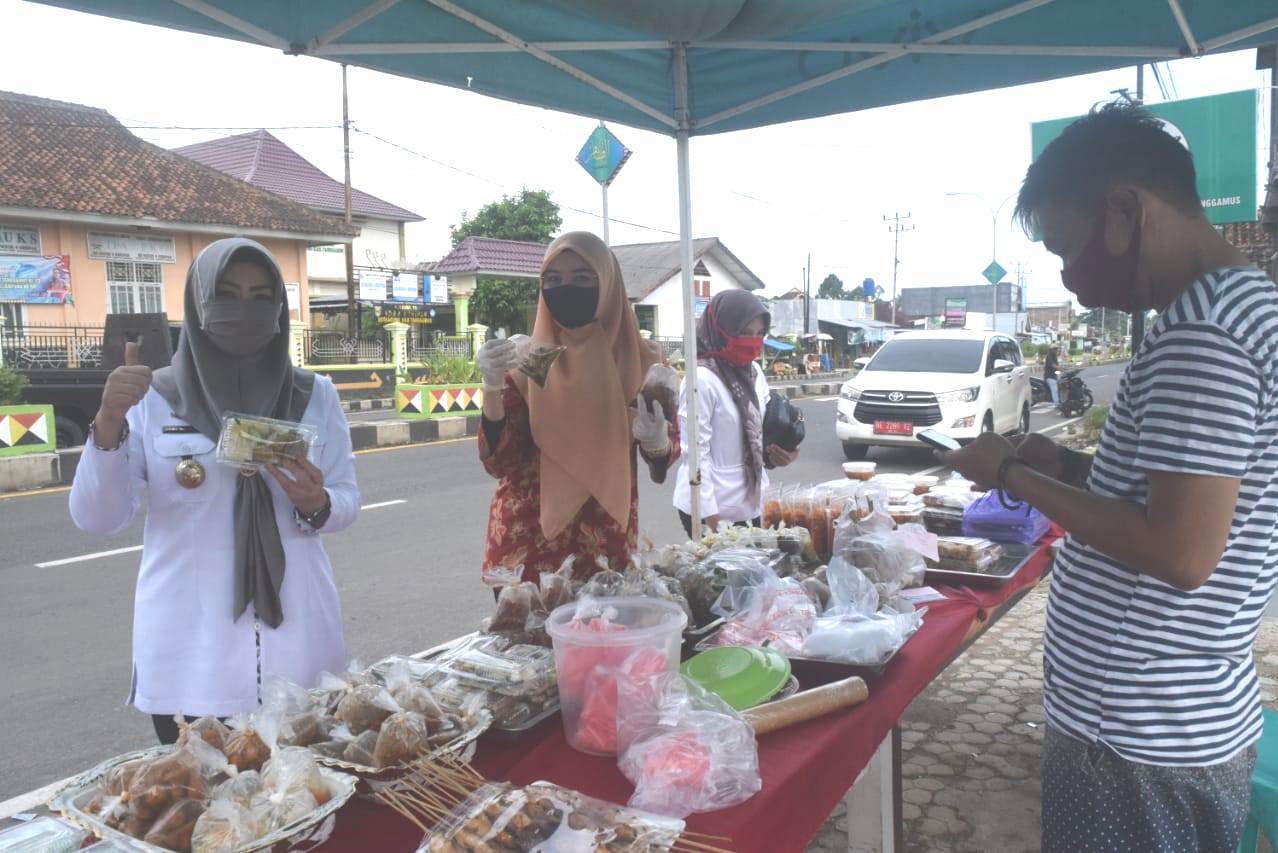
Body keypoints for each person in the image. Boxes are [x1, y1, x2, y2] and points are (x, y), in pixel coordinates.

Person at [942, 103, 1277, 853]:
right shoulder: (1246, 305)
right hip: (1184, 715)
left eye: (1068, 245)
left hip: (1133, 733)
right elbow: (1191, 492)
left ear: (1125, 209)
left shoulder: (1203, 333)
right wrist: (1063, 464)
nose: (1067, 272)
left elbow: (1181, 550)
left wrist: (1009, 475)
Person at [69, 238, 359, 744]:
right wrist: (109, 420)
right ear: (198, 304)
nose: (243, 309)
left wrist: (318, 505)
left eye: (260, 296)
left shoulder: (315, 395)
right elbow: (98, 517)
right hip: (190, 654)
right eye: (226, 294)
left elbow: (346, 500)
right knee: (204, 815)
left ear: (279, 309)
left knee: (308, 798)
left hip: (299, 645)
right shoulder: (153, 397)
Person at [474, 232, 676, 583]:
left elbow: (663, 454)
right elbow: (500, 462)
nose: (565, 288)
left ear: (608, 283)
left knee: (605, 634)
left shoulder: (641, 362)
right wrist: (492, 388)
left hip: (606, 544)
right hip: (528, 548)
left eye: (582, 278)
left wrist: (657, 442)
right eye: (553, 279)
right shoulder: (532, 359)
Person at [674, 289, 798, 537]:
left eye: (759, 334)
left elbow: (762, 431)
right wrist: (712, 522)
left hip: (752, 504)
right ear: (720, 330)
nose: (752, 341)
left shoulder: (753, 373)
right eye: (744, 333)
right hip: (711, 510)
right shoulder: (701, 380)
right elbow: (696, 457)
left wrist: (784, 453)